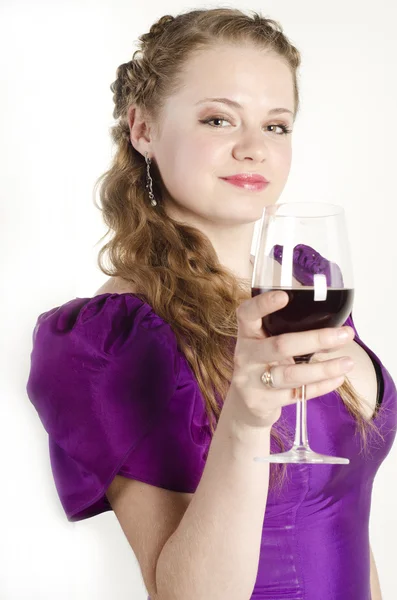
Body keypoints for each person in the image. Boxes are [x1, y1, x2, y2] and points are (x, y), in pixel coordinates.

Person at [26, 8, 396, 600]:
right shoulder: (108, 340)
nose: (254, 149)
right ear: (143, 129)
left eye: (277, 126)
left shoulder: (305, 285)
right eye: (219, 119)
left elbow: (345, 517)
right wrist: (247, 425)